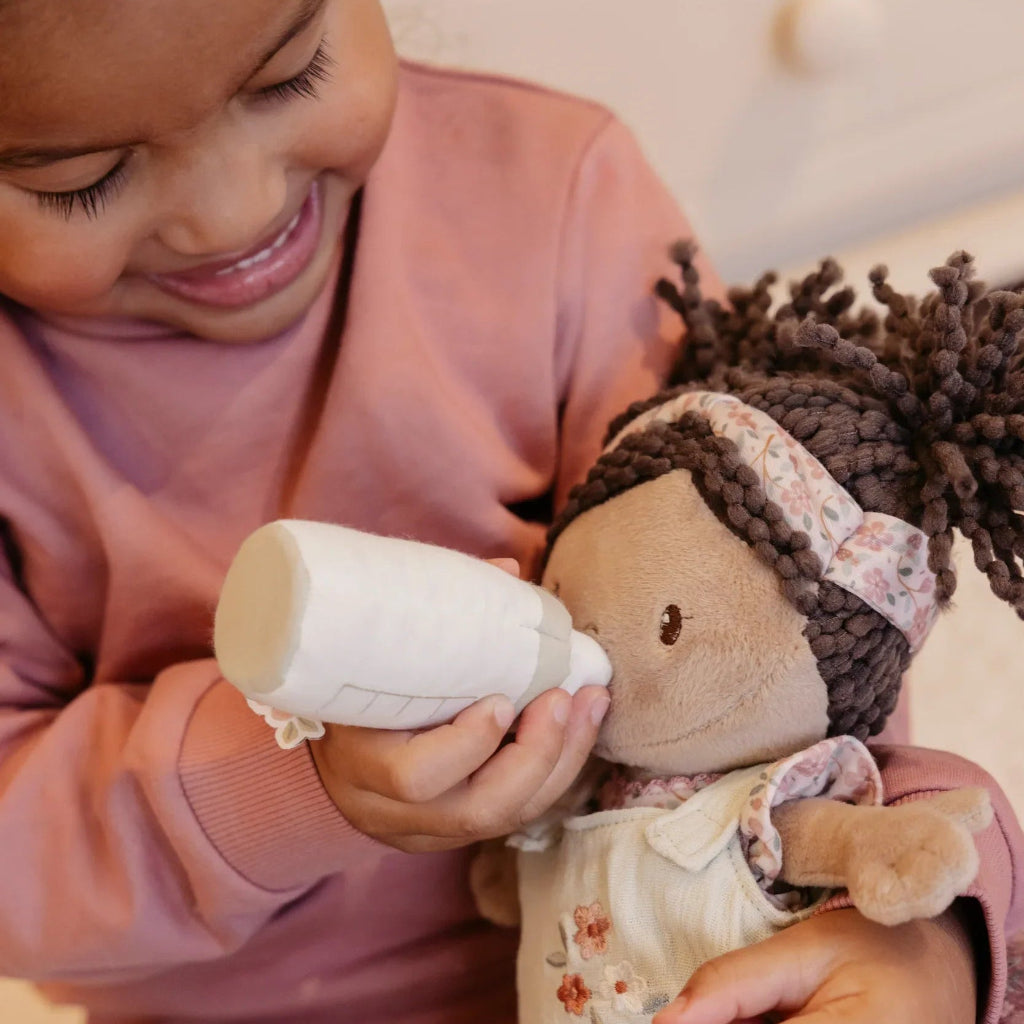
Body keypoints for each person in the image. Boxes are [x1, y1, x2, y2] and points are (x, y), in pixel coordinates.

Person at [0, 1, 1018, 1022]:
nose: (229, 211)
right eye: (76, 180)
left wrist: (921, 935)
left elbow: (812, 667)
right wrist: (295, 779)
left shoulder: (553, 198)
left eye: (289, 76)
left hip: (685, 961)